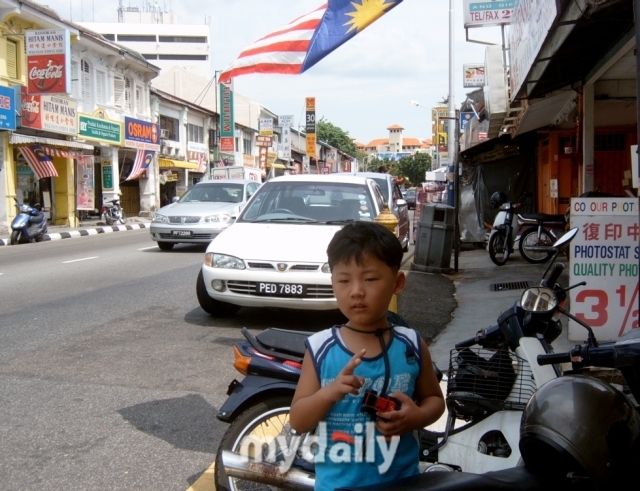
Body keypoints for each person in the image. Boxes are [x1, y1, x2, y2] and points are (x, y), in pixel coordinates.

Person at [290, 222, 445, 491]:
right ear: (333, 284)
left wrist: (416, 417)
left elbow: (434, 400)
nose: (357, 291)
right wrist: (330, 393)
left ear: (397, 283)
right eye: (344, 280)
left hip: (403, 483)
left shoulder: (411, 345)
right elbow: (298, 420)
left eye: (370, 279)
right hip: (337, 486)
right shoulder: (320, 348)